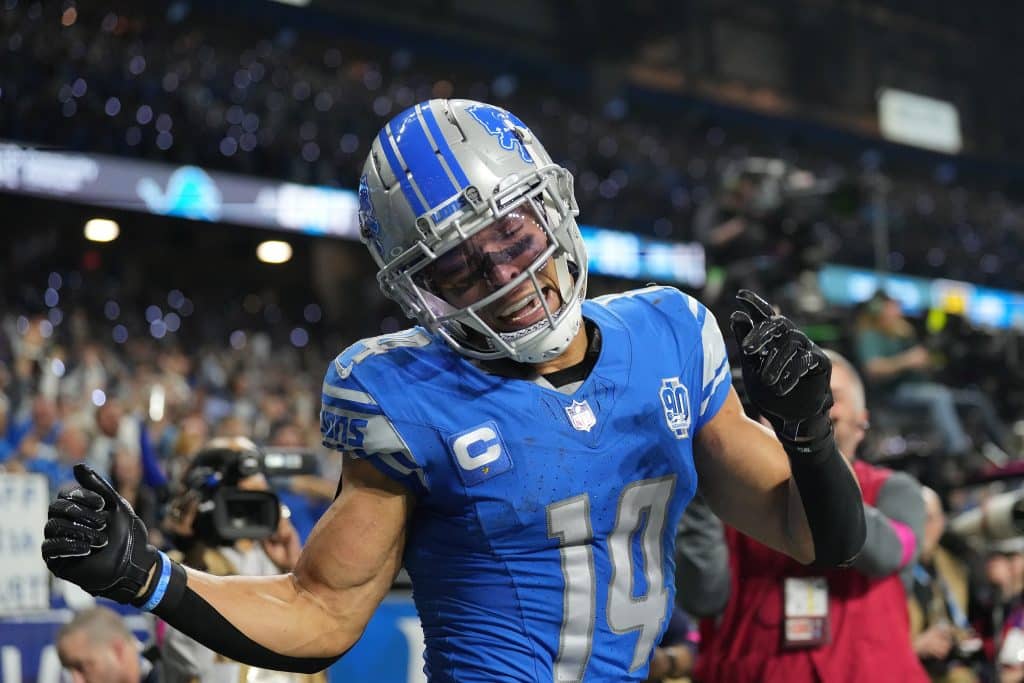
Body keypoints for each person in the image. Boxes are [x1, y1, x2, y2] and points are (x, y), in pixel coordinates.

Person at [41, 98, 865, 681]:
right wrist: (151, 577)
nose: (506, 274)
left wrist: (810, 436)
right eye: (461, 266)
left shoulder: (673, 334)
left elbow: (817, 535)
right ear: (418, 293)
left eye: (511, 234)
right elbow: (322, 610)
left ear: (555, 207)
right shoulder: (405, 393)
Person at [687, 350, 928, 682]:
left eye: (832, 396)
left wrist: (811, 451)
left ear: (863, 420)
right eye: (792, 395)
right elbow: (703, 596)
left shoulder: (896, 491)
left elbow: (887, 555)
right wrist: (712, 454)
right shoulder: (737, 495)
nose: (816, 403)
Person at [158, 436, 313, 683]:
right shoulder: (176, 567)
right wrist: (191, 548)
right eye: (236, 500)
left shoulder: (278, 564)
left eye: (256, 498)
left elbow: (315, 656)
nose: (244, 512)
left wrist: (296, 572)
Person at [854, 291, 1011, 459]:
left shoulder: (901, 332)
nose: (898, 311)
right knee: (939, 396)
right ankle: (959, 455)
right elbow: (873, 368)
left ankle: (1008, 449)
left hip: (921, 388)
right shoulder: (870, 335)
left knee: (975, 399)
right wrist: (908, 360)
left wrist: (927, 363)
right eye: (893, 307)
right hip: (893, 394)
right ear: (879, 310)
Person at [910, 487, 982, 683]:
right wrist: (916, 646)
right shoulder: (893, 570)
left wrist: (960, 638)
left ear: (942, 522)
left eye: (931, 519)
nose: (924, 526)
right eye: (918, 518)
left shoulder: (954, 566)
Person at [56, 605, 157, 683]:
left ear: (118, 651)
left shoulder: (169, 674)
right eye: (69, 670)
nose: (77, 681)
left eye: (82, 667)